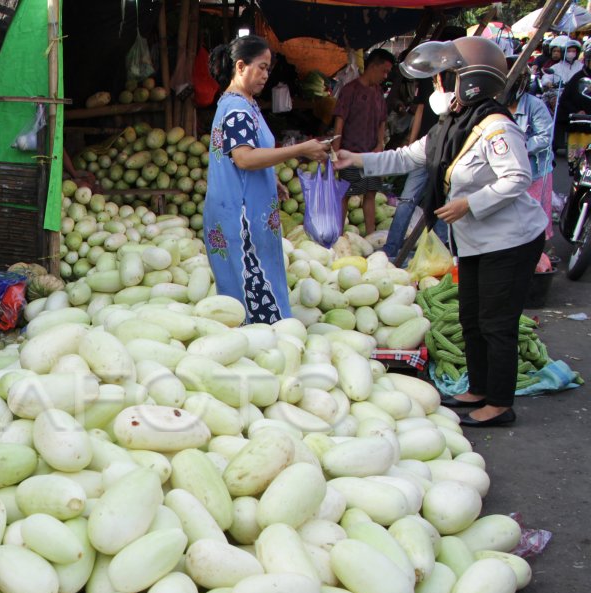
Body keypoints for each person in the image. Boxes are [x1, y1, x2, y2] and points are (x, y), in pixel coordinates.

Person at [336, 37, 548, 427]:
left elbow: (518, 176)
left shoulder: (497, 126)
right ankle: (479, 388)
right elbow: (406, 156)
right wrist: (357, 159)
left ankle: (500, 404)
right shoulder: (452, 126)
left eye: (448, 79)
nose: (440, 88)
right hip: (474, 241)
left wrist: (470, 203)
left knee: (496, 322)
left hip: (510, 240)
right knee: (471, 316)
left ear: (473, 83)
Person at [203, 35, 330, 323]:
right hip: (240, 219)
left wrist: (270, 179)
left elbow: (247, 155)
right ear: (240, 67)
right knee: (250, 292)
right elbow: (244, 158)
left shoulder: (245, 103)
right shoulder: (236, 109)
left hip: (245, 212)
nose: (265, 75)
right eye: (261, 67)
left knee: (253, 288)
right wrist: (301, 149)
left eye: (268, 68)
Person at [384, 27, 465, 262]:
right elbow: (421, 108)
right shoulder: (433, 73)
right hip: (426, 146)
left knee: (440, 203)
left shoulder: (461, 77)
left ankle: (436, 257)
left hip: (448, 151)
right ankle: (392, 250)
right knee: (412, 200)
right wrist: (410, 144)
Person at [332, 49, 396, 235]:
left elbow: (382, 121)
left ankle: (370, 235)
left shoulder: (378, 92)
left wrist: (380, 144)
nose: (385, 76)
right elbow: (339, 121)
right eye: (384, 71)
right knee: (345, 194)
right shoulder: (350, 90)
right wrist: (335, 153)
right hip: (350, 153)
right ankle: (337, 235)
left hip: (372, 153)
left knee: (370, 194)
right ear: (373, 66)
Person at [506, 56, 556, 239]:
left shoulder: (535, 105)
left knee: (536, 220)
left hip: (535, 172)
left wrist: (521, 147)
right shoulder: (495, 106)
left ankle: (540, 254)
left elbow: (545, 136)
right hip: (507, 172)